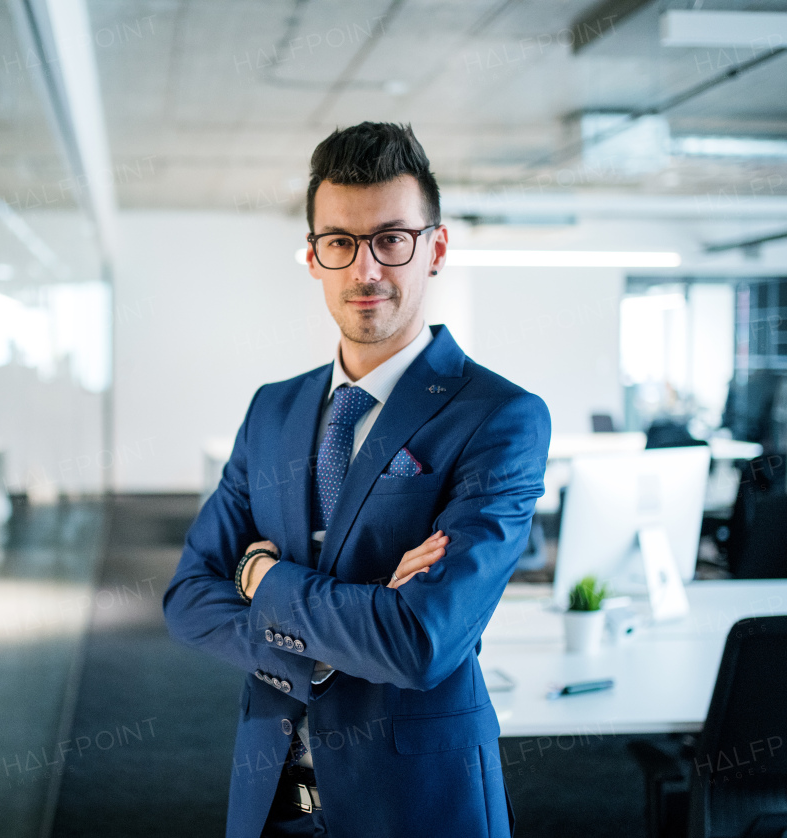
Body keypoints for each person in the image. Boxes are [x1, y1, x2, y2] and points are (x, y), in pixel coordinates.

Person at [163, 122, 550, 838]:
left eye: (392, 239)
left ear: (435, 248)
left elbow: (420, 643)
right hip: (273, 798)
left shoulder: (499, 418)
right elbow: (187, 596)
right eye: (340, 242)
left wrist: (258, 580)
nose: (366, 270)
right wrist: (349, 626)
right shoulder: (273, 408)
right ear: (314, 257)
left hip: (417, 800)